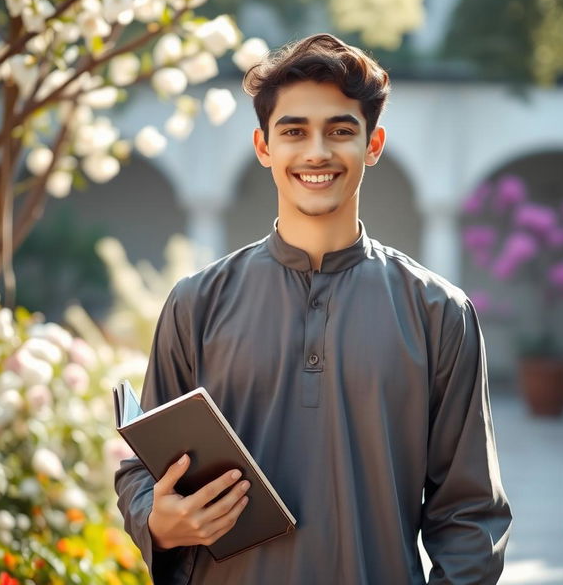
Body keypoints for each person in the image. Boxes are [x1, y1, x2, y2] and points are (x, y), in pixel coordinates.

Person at [114, 33, 512, 584]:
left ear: (372, 146)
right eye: (294, 131)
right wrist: (156, 519)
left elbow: (470, 515)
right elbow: (142, 470)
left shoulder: (438, 312)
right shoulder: (197, 302)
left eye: (341, 131)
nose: (317, 152)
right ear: (263, 146)